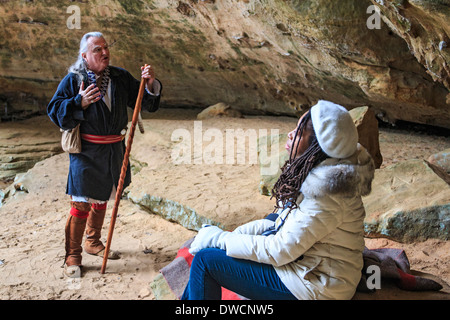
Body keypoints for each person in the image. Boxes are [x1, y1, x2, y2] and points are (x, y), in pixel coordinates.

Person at [182, 100, 375, 300]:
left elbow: (281, 250)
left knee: (205, 261)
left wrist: (220, 239)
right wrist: (229, 238)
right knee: (273, 218)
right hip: (313, 268)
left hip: (318, 286)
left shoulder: (327, 196)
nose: (290, 134)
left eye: (299, 133)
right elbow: (281, 221)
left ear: (317, 148)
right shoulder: (327, 171)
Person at [47, 31, 162, 277]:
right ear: (85, 56)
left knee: (102, 197)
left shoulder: (119, 77)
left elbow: (146, 103)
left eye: (106, 47)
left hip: (113, 149)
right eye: (97, 49)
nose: (104, 52)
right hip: (86, 152)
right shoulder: (73, 79)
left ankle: (93, 242)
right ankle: (73, 255)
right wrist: (78, 102)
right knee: (80, 203)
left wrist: (149, 84)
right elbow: (54, 111)